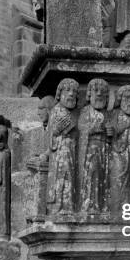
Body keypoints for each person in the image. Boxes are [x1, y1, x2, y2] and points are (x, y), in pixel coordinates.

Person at [78, 79, 113, 212]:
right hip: (90, 150)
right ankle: (90, 204)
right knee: (92, 175)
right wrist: (93, 128)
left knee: (104, 178)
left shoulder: (107, 114)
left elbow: (111, 135)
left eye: (103, 92)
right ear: (89, 94)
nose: (99, 94)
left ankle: (103, 205)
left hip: (104, 150)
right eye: (96, 91)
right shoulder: (86, 111)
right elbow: (81, 128)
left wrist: (110, 133)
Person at [46, 78, 79, 215]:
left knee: (69, 176)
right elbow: (51, 134)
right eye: (67, 90)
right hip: (60, 150)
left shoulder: (71, 113)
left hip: (70, 149)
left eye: (74, 92)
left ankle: (67, 206)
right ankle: (59, 206)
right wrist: (57, 131)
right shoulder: (56, 110)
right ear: (59, 93)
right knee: (61, 175)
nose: (71, 94)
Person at [110, 85, 130, 202]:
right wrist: (123, 139)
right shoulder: (114, 114)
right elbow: (110, 135)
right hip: (117, 155)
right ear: (120, 99)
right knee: (118, 181)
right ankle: (118, 206)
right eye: (128, 97)